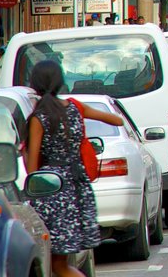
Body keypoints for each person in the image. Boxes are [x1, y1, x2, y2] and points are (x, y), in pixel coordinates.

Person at [26, 60, 123, 277]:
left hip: (52, 190)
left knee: (56, 265)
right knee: (61, 262)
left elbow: (33, 167)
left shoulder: (39, 117)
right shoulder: (75, 107)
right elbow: (117, 120)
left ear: (35, 84)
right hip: (78, 186)